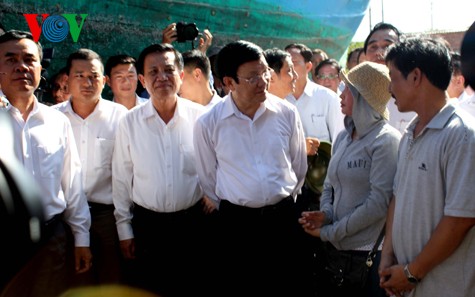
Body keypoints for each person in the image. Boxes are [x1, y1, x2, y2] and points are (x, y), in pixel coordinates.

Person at [193, 40, 309, 297]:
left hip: (283, 219)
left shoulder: (286, 113)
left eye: (265, 72)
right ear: (229, 83)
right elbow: (208, 178)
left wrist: (283, 200)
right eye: (252, 77)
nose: (263, 81)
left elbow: (299, 165)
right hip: (237, 226)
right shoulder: (209, 123)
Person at [112, 43, 213, 297]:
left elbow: (217, 164)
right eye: (153, 72)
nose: (162, 77)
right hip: (148, 228)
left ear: (180, 76)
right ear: (143, 80)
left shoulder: (202, 118)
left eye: (168, 70)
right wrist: (124, 230)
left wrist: (216, 195)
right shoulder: (129, 122)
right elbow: (122, 179)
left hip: (193, 225)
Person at [379, 37, 475, 297]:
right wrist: (388, 256)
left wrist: (412, 272)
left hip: (446, 287)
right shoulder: (409, 133)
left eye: (393, 76)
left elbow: (460, 219)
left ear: (415, 77)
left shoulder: (462, 135)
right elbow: (397, 198)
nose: (389, 87)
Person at [0, 30, 91, 297]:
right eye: (10, 59)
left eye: (29, 59)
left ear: (40, 68)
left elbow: (72, 183)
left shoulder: (57, 122)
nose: (21, 67)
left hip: (51, 240)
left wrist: (82, 239)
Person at [299, 61, 401, 297]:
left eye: (348, 90)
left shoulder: (385, 141)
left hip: (365, 253)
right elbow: (329, 184)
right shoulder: (344, 136)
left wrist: (330, 231)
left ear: (363, 97)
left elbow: (378, 203)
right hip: (336, 251)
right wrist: (326, 214)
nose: (341, 95)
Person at [53, 49, 128, 287]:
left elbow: (126, 172)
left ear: (104, 81)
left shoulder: (120, 117)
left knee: (110, 280)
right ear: (67, 79)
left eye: (94, 76)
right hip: (64, 218)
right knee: (71, 282)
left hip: (106, 216)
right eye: (80, 75)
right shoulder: (52, 119)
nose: (87, 82)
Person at [364, 22, 417, 134]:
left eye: (387, 46)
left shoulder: (416, 97)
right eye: (373, 47)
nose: (379, 52)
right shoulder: (354, 96)